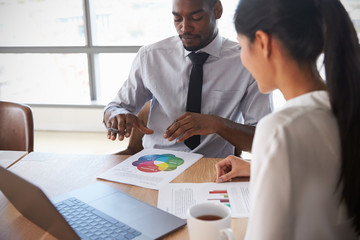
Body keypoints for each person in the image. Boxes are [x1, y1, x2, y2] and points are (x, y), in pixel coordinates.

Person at [216, 0, 360, 238]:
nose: (242, 58)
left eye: (242, 46)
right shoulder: (346, 107)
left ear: (262, 42)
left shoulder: (279, 130)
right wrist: (260, 167)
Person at [103, 0, 272, 158]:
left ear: (217, 10)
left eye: (196, 18)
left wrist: (218, 124)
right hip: (155, 164)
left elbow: (264, 138)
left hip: (214, 167)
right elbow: (115, 107)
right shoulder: (150, 57)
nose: (184, 28)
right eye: (177, 19)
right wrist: (117, 116)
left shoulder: (245, 61)